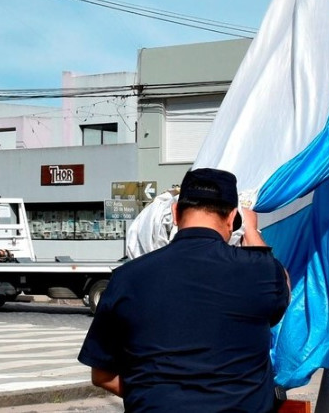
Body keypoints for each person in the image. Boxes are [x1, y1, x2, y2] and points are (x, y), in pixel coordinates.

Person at [78, 167, 290, 412]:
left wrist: (150, 395)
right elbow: (283, 285)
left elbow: (102, 375)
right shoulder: (260, 272)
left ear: (176, 213)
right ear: (233, 218)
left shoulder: (127, 278)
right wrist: (252, 231)